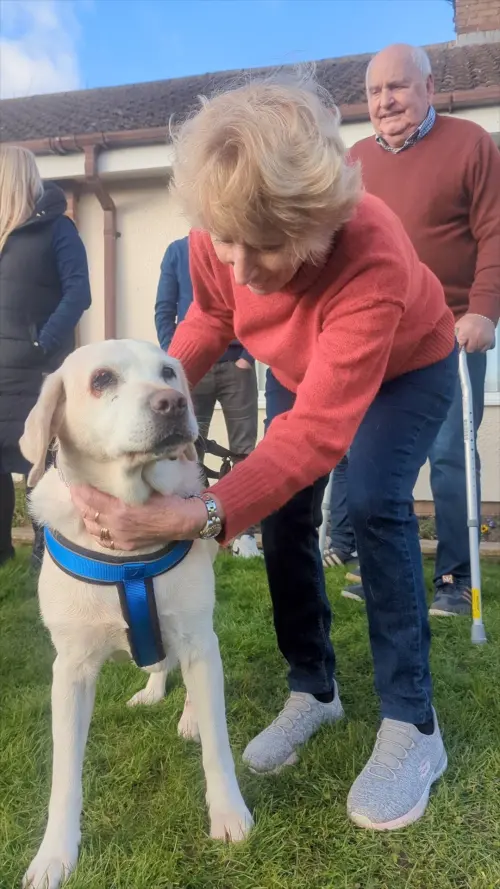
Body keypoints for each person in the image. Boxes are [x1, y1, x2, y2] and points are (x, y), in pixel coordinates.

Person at [72, 73, 458, 831]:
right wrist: (152, 400)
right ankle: (313, 686)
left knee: (376, 499)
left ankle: (413, 724)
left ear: (317, 224)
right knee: (281, 515)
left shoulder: (370, 250)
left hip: (409, 367)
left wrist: (203, 512)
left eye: (269, 248)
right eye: (226, 242)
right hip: (301, 367)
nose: (241, 268)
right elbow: (213, 312)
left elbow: (317, 433)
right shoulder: (222, 231)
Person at [325, 44, 500, 613]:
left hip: (451, 330)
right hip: (378, 334)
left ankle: (455, 579)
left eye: (397, 87)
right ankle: (379, 570)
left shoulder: (471, 144)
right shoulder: (352, 161)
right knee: (376, 454)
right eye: (375, 92)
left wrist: (485, 308)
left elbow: (495, 232)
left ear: (428, 87)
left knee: (450, 453)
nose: (386, 101)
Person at [0, 145, 91, 569]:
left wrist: (43, 344)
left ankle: (48, 555)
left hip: (36, 371)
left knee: (41, 464)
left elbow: (79, 292)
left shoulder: (58, 229)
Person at [155, 234, 261, 558]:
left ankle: (244, 535)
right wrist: (173, 365)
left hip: (236, 365)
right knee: (187, 449)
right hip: (192, 367)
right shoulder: (177, 251)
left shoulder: (242, 243)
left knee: (244, 448)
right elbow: (164, 309)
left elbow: (255, 301)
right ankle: (190, 529)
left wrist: (247, 354)